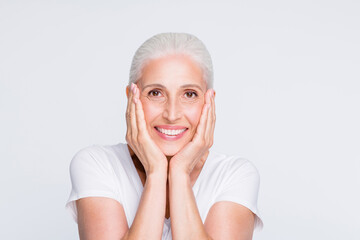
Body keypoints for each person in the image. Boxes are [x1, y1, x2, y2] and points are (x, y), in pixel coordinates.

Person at [66, 32, 263, 240]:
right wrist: (157, 172)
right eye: (155, 93)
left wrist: (179, 172)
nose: (172, 114)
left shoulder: (235, 176)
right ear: (131, 97)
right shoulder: (97, 164)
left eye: (189, 94)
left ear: (209, 102)